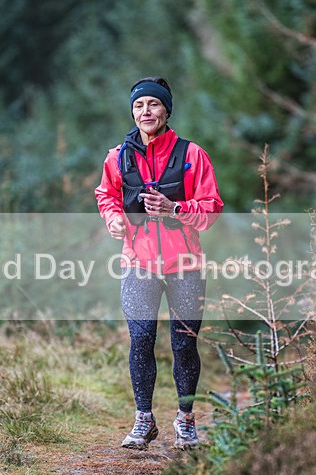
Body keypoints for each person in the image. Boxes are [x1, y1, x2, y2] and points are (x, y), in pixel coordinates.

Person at [95, 77, 224, 450]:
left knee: (184, 344)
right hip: (138, 263)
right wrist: (114, 218)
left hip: (185, 264)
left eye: (153, 104)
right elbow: (106, 194)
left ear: (166, 110)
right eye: (139, 105)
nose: (145, 111)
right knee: (140, 341)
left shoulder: (191, 155)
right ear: (132, 111)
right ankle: (144, 420)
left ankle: (185, 421)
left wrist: (176, 208)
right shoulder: (118, 156)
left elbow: (211, 207)